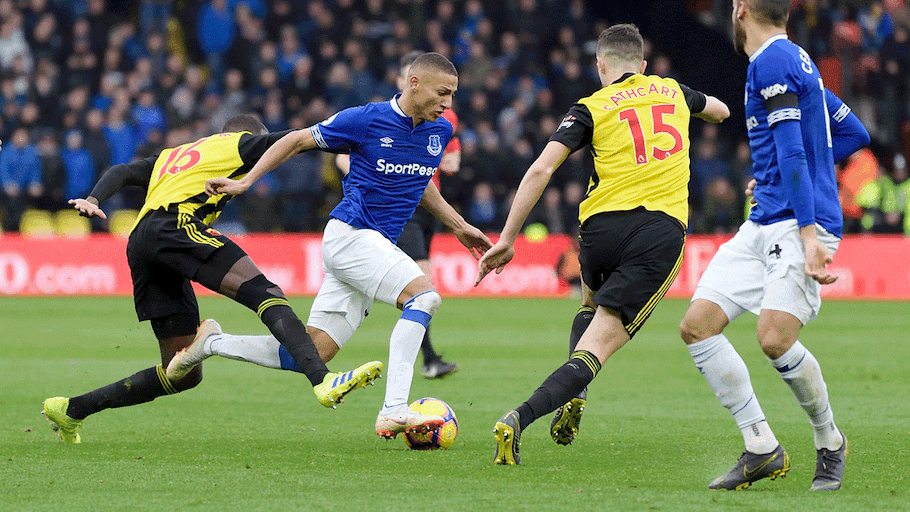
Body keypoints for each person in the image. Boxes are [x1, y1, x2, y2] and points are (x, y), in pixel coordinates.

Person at [186, 53, 492, 439]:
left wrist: (460, 225)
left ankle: (212, 343)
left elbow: (421, 180)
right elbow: (297, 140)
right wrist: (245, 183)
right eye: (443, 92)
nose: (448, 103)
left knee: (313, 352)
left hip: (371, 248)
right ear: (414, 83)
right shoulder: (365, 119)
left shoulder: (439, 131)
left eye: (453, 95)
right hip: (350, 236)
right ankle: (394, 408)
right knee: (425, 298)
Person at [475, 24, 730, 465]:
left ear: (601, 66)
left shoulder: (591, 106)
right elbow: (723, 111)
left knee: (589, 308)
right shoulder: (671, 91)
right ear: (644, 66)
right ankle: (520, 417)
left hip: (599, 231)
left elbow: (541, 170)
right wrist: (694, 108)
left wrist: (508, 239)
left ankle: (577, 397)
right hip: (658, 231)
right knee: (599, 345)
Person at [42, 114, 383, 444]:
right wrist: (359, 138)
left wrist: (93, 198)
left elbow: (122, 170)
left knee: (182, 372)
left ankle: (72, 409)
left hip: (142, 242)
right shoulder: (239, 144)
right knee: (265, 292)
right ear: (247, 135)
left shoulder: (173, 156)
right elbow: (298, 140)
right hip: (176, 225)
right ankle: (322, 380)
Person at [678, 0, 870, 491]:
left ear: (741, 9)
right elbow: (851, 132)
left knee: (774, 338)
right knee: (698, 327)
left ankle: (830, 443)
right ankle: (762, 447)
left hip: (797, 225)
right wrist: (775, 179)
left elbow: (792, 148)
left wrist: (808, 231)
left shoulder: (773, 62)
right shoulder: (798, 60)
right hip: (766, 219)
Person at [338, 51, 461, 379]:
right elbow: (342, 156)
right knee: (424, 289)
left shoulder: (439, 125)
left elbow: (451, 157)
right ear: (405, 82)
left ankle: (427, 359)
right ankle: (428, 360)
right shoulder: (376, 120)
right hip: (400, 211)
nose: (445, 101)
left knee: (423, 289)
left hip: (427, 210)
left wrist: (451, 163)